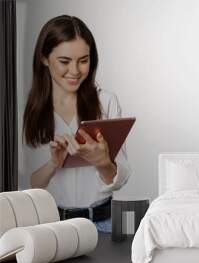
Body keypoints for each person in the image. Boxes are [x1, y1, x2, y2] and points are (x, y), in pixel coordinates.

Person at [23, 15, 131, 232]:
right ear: (44, 58)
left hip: (103, 225)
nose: (75, 71)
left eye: (83, 60)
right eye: (64, 61)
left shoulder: (106, 102)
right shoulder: (29, 109)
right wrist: (54, 164)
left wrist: (102, 162)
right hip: (51, 226)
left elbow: (121, 178)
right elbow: (30, 184)